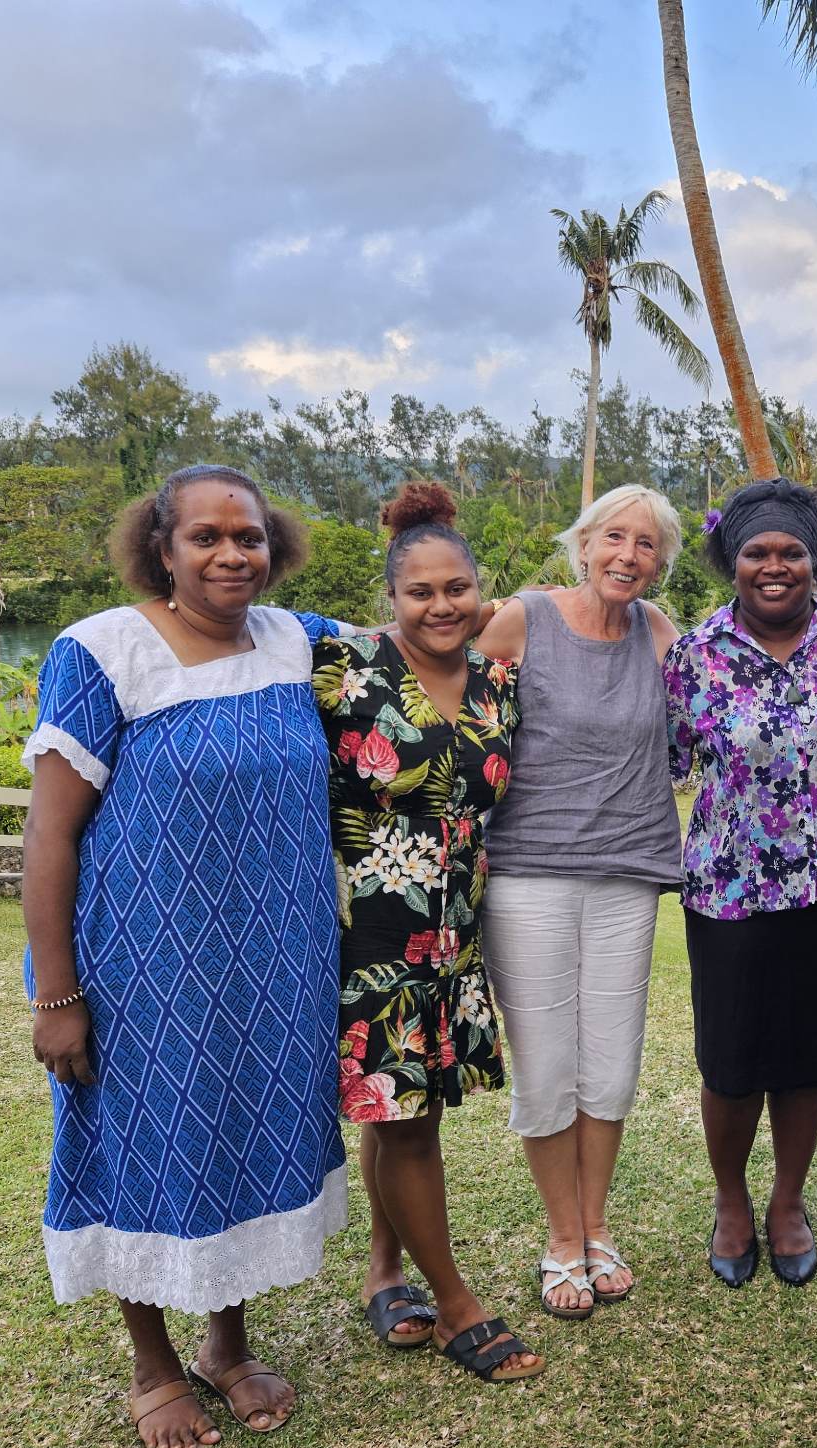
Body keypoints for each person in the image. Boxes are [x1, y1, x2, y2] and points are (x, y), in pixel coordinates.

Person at [22, 464, 351, 1448]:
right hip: (144, 970)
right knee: (146, 1147)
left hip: (275, 963)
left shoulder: (300, 641)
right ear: (159, 548)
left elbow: (431, 634)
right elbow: (49, 836)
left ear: (274, 544)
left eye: (246, 536)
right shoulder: (102, 651)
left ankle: (226, 1345)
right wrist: (57, 994)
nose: (230, 554)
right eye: (204, 537)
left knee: (241, 1134)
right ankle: (154, 1366)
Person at [312, 481, 542, 1383]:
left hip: (453, 934)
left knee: (405, 1106)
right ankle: (456, 1305)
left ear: (481, 594)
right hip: (369, 931)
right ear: (392, 599)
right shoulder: (343, 668)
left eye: (457, 590)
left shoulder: (499, 682)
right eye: (421, 592)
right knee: (406, 1122)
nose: (441, 606)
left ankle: (382, 1273)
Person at [665, 478, 817, 1288]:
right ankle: (731, 1200)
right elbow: (655, 761)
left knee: (806, 1060)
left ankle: (787, 1202)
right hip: (729, 896)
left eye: (791, 552)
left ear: (815, 558)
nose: (775, 567)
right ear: (731, 559)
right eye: (757, 552)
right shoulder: (695, 654)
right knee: (730, 1064)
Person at [476, 484, 684, 1320]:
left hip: (628, 873)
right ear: (585, 542)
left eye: (646, 546)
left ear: (660, 563)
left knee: (612, 1068)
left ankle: (598, 1228)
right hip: (528, 873)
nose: (628, 556)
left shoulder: (661, 635)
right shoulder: (523, 618)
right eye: (615, 538)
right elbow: (428, 658)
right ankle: (561, 1237)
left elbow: (740, 681)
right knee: (548, 1068)